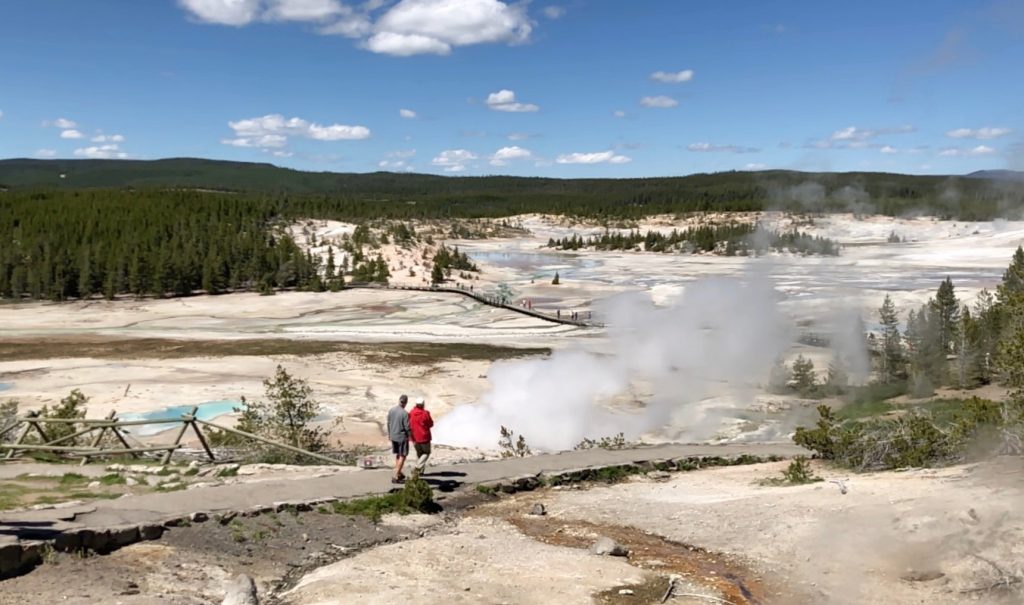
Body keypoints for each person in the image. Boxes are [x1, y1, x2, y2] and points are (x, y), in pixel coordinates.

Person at [387, 394, 411, 483]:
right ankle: (396, 475)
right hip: (402, 437)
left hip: (393, 436)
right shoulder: (404, 413)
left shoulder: (391, 410)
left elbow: (388, 423)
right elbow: (407, 427)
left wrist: (389, 434)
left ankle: (399, 473)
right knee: (403, 455)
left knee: (398, 454)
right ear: (406, 402)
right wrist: (410, 436)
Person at [408, 397, 434, 474]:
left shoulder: (411, 413)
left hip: (414, 437)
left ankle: (420, 472)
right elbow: (431, 424)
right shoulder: (425, 413)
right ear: (423, 404)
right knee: (426, 453)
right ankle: (418, 466)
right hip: (424, 437)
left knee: (419, 453)